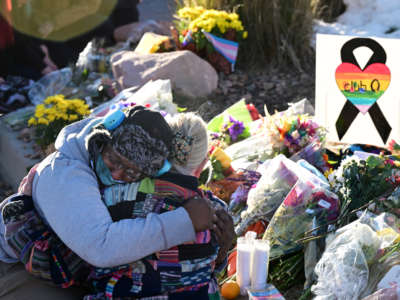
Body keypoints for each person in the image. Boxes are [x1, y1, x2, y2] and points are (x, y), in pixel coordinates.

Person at [0, 106, 215, 299]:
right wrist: (184, 221)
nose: (118, 174)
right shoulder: (66, 174)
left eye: (131, 172)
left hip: (62, 265)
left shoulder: (131, 184)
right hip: (19, 268)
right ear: (101, 140)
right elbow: (102, 246)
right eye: (113, 160)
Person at [85, 112, 234, 299]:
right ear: (203, 164)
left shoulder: (113, 195)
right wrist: (223, 250)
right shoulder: (214, 212)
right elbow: (205, 273)